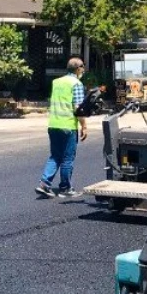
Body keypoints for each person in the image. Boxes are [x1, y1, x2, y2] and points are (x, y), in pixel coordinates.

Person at [36, 57, 88, 199]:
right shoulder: (76, 83)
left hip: (53, 124)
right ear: (78, 68)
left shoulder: (56, 82)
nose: (83, 69)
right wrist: (84, 126)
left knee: (55, 156)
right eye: (82, 67)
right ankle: (65, 188)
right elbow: (78, 108)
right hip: (68, 126)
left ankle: (44, 184)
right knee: (67, 158)